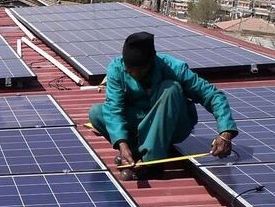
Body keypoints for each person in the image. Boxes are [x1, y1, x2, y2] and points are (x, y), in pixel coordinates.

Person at [88, 32, 237, 180]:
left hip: (172, 124)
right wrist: (122, 143)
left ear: (151, 62)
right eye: (129, 69)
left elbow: (212, 95)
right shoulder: (116, 69)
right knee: (96, 113)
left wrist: (226, 133)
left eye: (139, 70)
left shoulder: (173, 68)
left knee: (170, 88)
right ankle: (133, 153)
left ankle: (151, 160)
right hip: (139, 122)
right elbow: (114, 110)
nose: (134, 73)